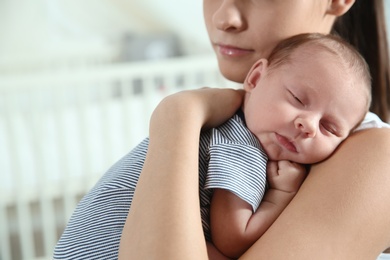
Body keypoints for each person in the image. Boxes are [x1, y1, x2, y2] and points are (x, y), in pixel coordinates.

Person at [53, 32, 371, 260]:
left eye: (329, 127)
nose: (308, 125)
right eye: (298, 99)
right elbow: (234, 238)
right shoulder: (241, 144)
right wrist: (280, 195)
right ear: (256, 78)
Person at [118, 1, 390, 260]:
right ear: (257, 78)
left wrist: (179, 114)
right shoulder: (241, 130)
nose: (224, 18)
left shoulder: (377, 157)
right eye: (296, 98)